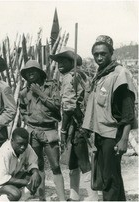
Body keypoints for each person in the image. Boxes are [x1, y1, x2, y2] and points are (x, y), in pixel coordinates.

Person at [82, 35, 137, 201]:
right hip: (101, 134)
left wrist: (123, 140)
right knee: (111, 177)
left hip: (113, 135)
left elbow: (128, 111)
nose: (99, 57)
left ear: (111, 53)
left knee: (109, 180)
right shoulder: (100, 75)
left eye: (103, 54)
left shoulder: (119, 74)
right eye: (96, 54)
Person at [49, 47, 98, 201]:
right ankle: (75, 196)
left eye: (64, 61)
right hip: (77, 124)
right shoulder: (76, 76)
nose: (60, 64)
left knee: (83, 161)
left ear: (72, 62)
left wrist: (63, 130)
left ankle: (93, 197)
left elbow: (69, 108)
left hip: (76, 124)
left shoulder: (71, 78)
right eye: (58, 62)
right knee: (73, 162)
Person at [19, 60, 66, 201]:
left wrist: (40, 93)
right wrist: (27, 120)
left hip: (49, 131)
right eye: (27, 72)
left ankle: (62, 198)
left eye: (33, 70)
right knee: (37, 166)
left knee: (55, 166)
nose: (30, 73)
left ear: (40, 72)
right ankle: (41, 198)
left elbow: (57, 106)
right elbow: (22, 109)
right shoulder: (24, 92)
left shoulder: (51, 87)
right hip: (33, 132)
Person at [0, 127, 41, 201]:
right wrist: (26, 182)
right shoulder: (4, 152)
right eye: (19, 144)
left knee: (36, 179)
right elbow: (3, 178)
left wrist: (35, 173)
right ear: (12, 141)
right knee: (15, 193)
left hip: (13, 176)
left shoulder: (26, 147)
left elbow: (32, 161)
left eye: (25, 144)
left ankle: (18, 200)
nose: (23, 147)